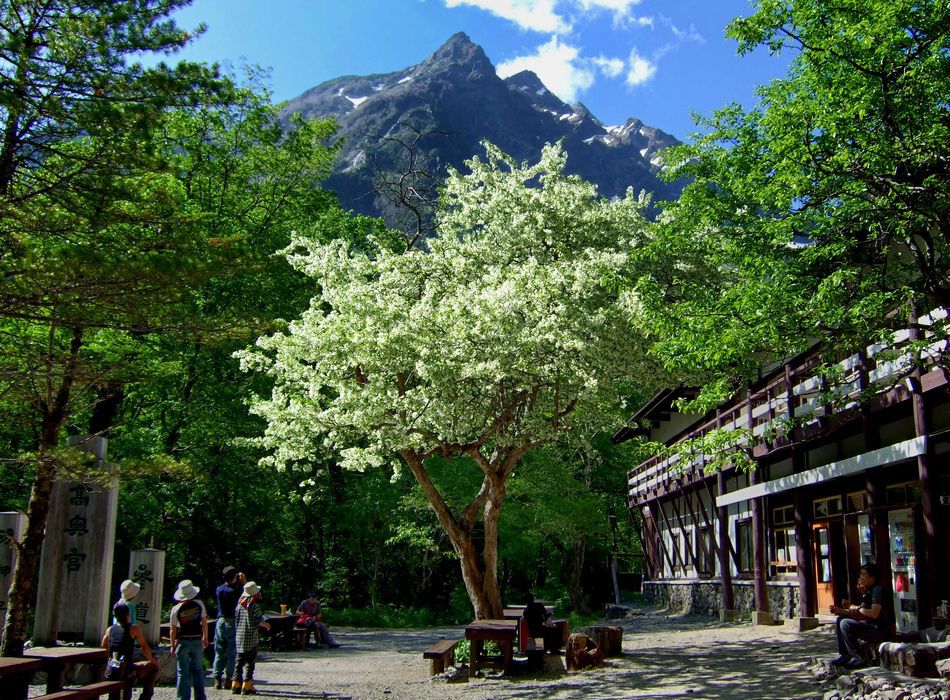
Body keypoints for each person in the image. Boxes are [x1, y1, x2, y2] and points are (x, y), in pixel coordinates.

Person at [829, 563, 888, 669]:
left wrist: (846, 610)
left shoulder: (877, 590)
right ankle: (845, 655)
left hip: (879, 630)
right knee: (840, 620)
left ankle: (857, 657)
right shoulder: (869, 591)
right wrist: (847, 608)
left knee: (845, 623)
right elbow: (862, 611)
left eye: (864, 575)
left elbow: (873, 613)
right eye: (861, 574)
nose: (861, 578)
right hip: (869, 625)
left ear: (872, 577)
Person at [102, 601, 158, 700]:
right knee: (153, 667)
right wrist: (152, 660)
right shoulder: (134, 628)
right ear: (128, 614)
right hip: (127, 668)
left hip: (112, 669)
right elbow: (144, 647)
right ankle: (145, 697)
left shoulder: (109, 630)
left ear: (115, 615)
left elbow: (104, 646)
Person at [169, 579, 209, 700]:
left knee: (183, 672)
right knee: (197, 670)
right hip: (197, 640)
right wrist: (205, 637)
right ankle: (200, 697)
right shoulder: (199, 604)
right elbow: (204, 622)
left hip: (183, 640)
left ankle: (182, 697)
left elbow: (173, 629)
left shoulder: (176, 609)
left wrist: (172, 645)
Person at [233, 581, 269, 695]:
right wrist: (266, 625)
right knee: (250, 662)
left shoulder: (239, 605)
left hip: (239, 637)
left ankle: (236, 684)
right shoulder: (253, 606)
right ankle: (247, 685)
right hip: (251, 637)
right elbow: (259, 620)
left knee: (239, 662)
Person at [212, 566, 241, 690]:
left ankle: (217, 678)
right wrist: (243, 582)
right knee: (231, 652)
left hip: (220, 621)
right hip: (232, 622)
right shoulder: (236, 591)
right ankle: (229, 679)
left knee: (219, 651)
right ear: (234, 577)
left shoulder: (219, 589)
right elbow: (246, 594)